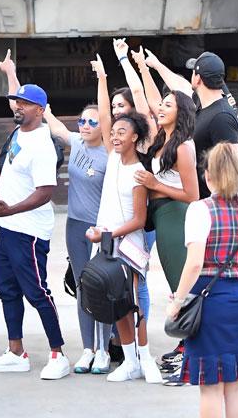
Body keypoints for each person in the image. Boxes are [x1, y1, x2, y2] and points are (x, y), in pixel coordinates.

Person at [0, 51, 70, 380]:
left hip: (29, 231)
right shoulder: (22, 130)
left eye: (25, 104)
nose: (18, 106)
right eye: (16, 102)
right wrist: (10, 73)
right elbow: (17, 99)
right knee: (6, 288)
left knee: (37, 292)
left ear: (40, 110)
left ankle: (58, 354)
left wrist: (10, 209)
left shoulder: (43, 145)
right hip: (8, 227)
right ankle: (16, 351)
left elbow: (46, 192)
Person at [165, 142, 238, 418]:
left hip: (210, 304)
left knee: (211, 385)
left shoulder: (200, 210)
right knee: (236, 384)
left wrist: (177, 301)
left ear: (207, 175)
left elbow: (195, 263)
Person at [84, 110, 153, 383]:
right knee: (117, 305)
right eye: (112, 133)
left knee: (134, 305)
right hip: (106, 243)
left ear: (135, 137)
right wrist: (101, 77)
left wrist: (108, 233)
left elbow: (139, 219)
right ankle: (130, 362)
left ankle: (145, 359)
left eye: (121, 133)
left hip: (127, 246)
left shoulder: (139, 173)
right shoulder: (112, 159)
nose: (114, 137)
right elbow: (103, 113)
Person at [42, 100, 111, 374]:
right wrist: (45, 109)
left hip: (101, 229)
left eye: (93, 122)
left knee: (102, 289)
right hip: (74, 226)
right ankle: (87, 349)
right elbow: (57, 128)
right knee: (82, 287)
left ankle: (105, 350)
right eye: (82, 121)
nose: (85, 126)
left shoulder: (110, 153)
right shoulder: (77, 143)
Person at [183, 52, 238, 197]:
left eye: (193, 73)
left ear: (198, 79)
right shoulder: (201, 104)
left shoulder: (221, 117)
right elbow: (179, 85)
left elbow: (229, 171)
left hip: (213, 206)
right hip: (200, 200)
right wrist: (156, 66)